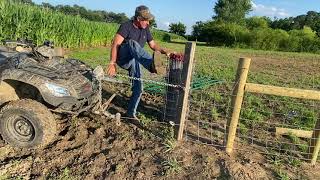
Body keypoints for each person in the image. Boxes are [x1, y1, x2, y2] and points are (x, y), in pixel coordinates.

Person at [107, 5, 170, 120]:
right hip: (124, 59)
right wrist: (112, 63)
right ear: (138, 18)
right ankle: (152, 65)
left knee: (139, 88)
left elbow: (153, 45)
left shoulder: (145, 28)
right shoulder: (126, 26)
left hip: (135, 60)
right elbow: (115, 44)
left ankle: (131, 113)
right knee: (132, 43)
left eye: (149, 20)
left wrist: (163, 50)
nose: (148, 23)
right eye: (146, 20)